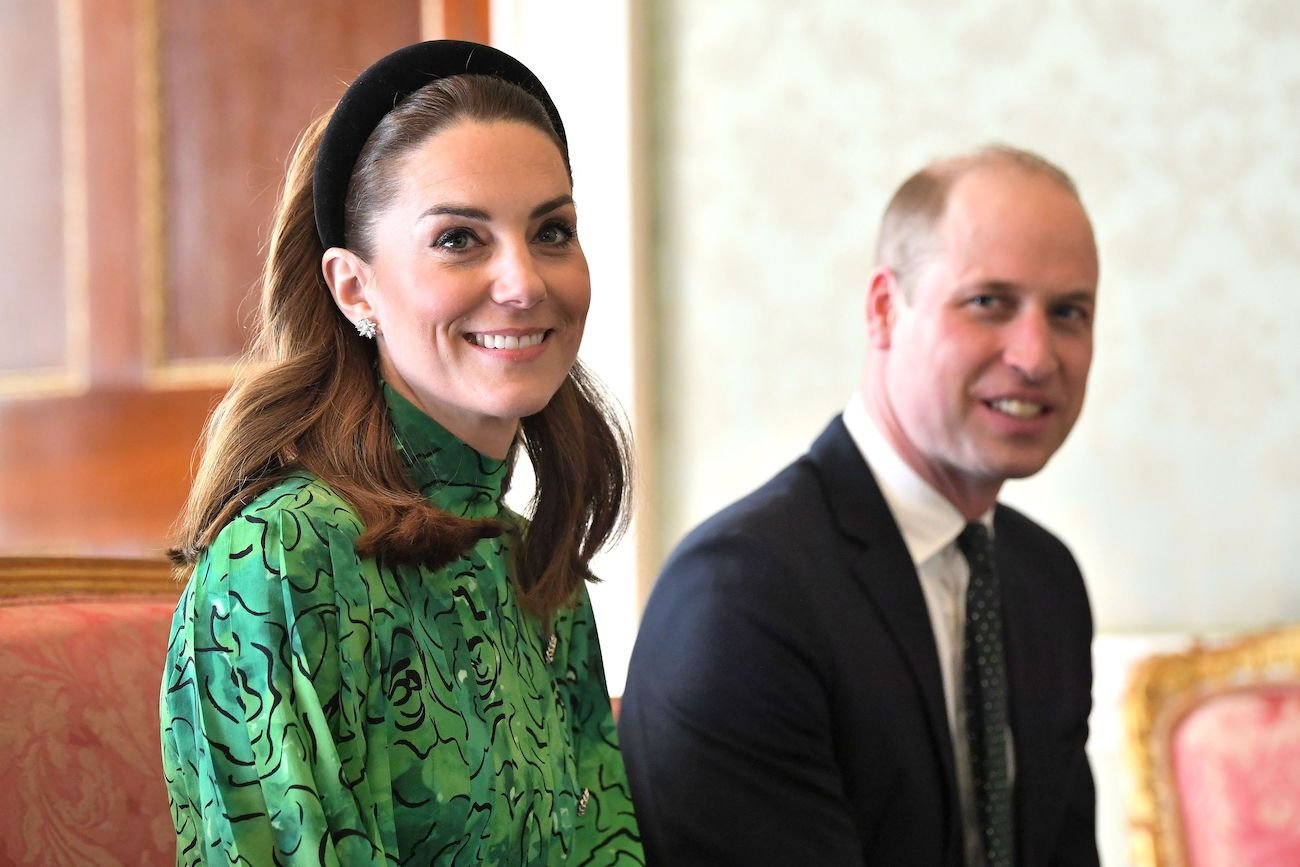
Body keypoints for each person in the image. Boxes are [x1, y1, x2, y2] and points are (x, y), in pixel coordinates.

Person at [160, 40, 643, 866]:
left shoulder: (530, 559)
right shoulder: (280, 563)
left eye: (552, 230)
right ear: (356, 288)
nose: (524, 282)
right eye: (460, 239)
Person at [620, 145, 1102, 866]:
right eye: (988, 303)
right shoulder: (743, 596)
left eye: (1068, 312)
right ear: (883, 309)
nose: (1035, 355)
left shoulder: (1046, 581)